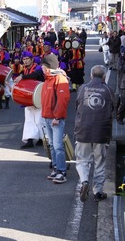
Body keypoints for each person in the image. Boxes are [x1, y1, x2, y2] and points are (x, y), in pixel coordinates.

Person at [74, 65, 115, 202]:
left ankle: (84, 181)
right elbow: (114, 108)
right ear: (104, 77)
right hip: (101, 132)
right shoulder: (109, 90)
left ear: (91, 76)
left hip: (83, 130)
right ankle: (98, 192)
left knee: (82, 160)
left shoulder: (83, 88)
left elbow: (77, 105)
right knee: (100, 162)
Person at [41, 54, 70, 183]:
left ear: (48, 67)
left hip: (54, 118)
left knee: (58, 146)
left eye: (43, 66)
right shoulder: (48, 78)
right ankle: (56, 168)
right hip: (48, 116)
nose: (41, 68)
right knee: (53, 145)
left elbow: (63, 99)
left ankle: (61, 171)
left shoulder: (59, 78)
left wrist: (57, 116)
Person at [14, 51, 45, 149]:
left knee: (40, 120)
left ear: (32, 59)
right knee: (29, 120)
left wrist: (22, 77)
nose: (25, 61)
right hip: (29, 99)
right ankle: (30, 140)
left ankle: (42, 138)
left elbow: (35, 76)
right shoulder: (24, 70)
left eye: (27, 59)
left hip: (39, 98)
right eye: (24, 59)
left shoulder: (39, 68)